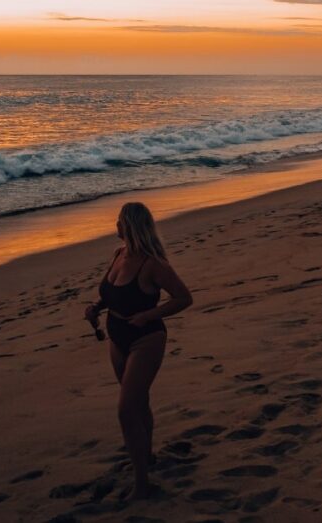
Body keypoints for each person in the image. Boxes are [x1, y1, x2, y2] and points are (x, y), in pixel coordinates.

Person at [84, 201, 193, 500]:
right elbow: (112, 294)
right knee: (138, 401)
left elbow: (184, 298)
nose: (115, 225)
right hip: (117, 337)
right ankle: (146, 454)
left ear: (129, 225)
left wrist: (149, 315)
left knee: (126, 408)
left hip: (146, 338)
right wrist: (95, 307)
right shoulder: (118, 255)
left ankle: (142, 484)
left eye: (119, 221)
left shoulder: (153, 264)